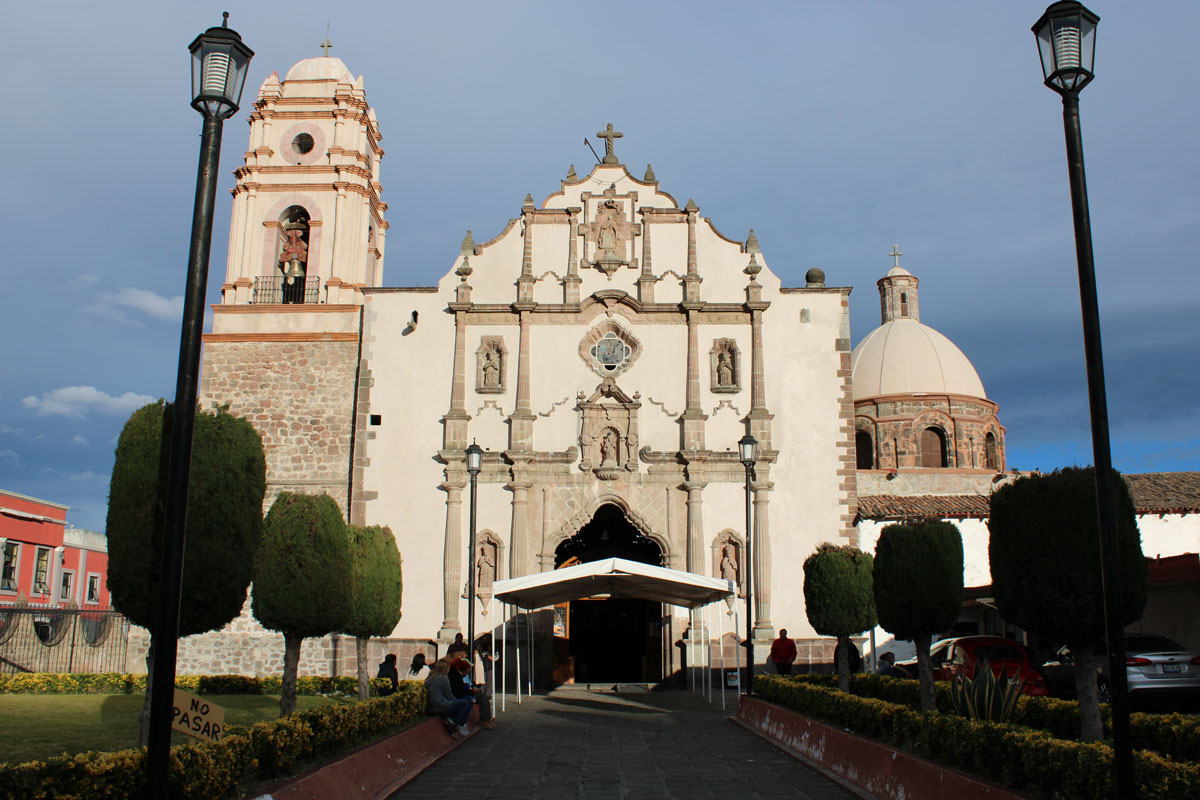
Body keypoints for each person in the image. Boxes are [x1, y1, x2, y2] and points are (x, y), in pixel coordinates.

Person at [426, 657, 473, 738]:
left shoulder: (431, 676)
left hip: (432, 705)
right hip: (440, 705)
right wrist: (456, 702)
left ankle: (459, 723)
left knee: (465, 701)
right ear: (446, 668)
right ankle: (457, 723)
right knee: (465, 702)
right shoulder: (443, 678)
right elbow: (448, 694)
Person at [450, 657, 495, 730]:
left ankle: (486, 719)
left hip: (465, 693)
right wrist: (472, 691)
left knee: (483, 696)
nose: (467, 674)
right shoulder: (455, 677)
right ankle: (484, 720)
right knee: (482, 698)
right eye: (467, 672)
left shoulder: (458, 675)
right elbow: (459, 692)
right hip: (461, 696)